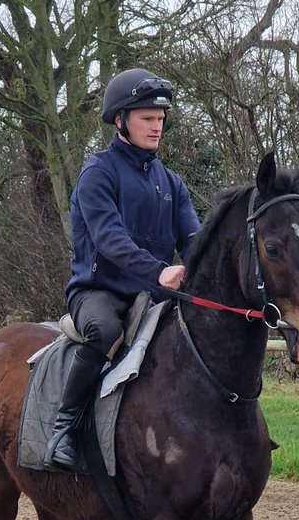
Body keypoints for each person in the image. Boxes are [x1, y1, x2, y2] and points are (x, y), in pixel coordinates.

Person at [44, 67, 200, 470]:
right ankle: (63, 428)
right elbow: (110, 240)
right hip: (98, 292)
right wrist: (159, 271)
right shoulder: (98, 172)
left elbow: (194, 243)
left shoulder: (173, 183)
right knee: (106, 331)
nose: (156, 126)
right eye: (147, 118)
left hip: (154, 292)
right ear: (120, 120)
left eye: (161, 119)